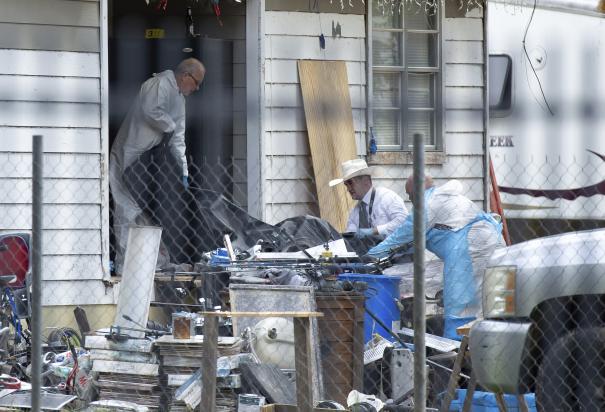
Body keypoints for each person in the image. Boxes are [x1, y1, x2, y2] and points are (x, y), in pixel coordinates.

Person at [367, 175, 505, 340]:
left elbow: (400, 237)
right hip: (494, 244)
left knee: (460, 303)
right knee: (489, 303)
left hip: (471, 248)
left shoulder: (426, 206)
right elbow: (418, 237)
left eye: (410, 196)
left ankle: (456, 350)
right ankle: (489, 344)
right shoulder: (441, 199)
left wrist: (369, 256)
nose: (410, 200)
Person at [109, 57, 206, 274]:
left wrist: (183, 171)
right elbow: (151, 110)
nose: (197, 87)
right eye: (197, 81)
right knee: (127, 212)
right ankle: (126, 266)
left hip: (151, 164)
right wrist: (169, 126)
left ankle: (156, 263)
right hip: (130, 156)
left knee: (152, 213)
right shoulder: (158, 84)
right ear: (185, 75)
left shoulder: (180, 99)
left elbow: (178, 138)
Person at [329, 159, 408, 242]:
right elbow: (350, 235)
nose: (348, 189)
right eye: (346, 185)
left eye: (351, 183)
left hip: (395, 252)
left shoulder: (386, 197)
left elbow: (404, 221)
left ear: (366, 181)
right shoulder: (355, 212)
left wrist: (374, 231)